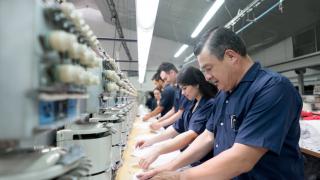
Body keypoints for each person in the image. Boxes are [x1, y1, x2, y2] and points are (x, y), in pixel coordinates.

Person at [137, 27, 304, 180]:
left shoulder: (272, 89)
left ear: (231, 56)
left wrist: (180, 177)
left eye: (209, 68)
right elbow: (208, 137)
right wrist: (168, 168)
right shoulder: (224, 94)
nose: (207, 77)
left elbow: (242, 159)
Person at [136, 66, 218, 170]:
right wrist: (149, 141)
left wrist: (158, 150)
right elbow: (176, 128)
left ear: (197, 84)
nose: (183, 93)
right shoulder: (192, 103)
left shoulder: (209, 104)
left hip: (202, 165)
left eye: (185, 88)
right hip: (191, 161)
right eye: (181, 89)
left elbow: (191, 135)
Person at [148, 62, 190, 129]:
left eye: (165, 78)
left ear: (172, 72)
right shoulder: (176, 88)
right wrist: (159, 121)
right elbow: (174, 109)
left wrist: (160, 124)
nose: (166, 82)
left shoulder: (185, 87)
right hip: (179, 125)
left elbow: (180, 112)